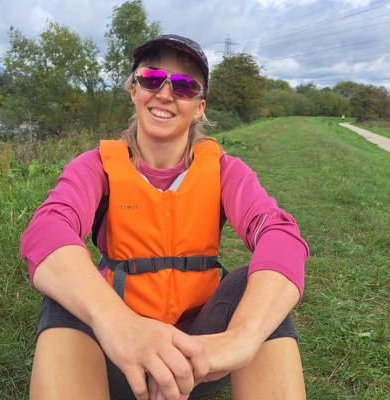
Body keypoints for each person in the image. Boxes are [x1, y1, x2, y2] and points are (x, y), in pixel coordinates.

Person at [21, 34, 309, 400]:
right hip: (116, 353)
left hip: (199, 358)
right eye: (152, 78)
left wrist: (242, 338)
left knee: (252, 290)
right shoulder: (95, 167)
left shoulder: (224, 171)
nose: (165, 93)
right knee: (66, 294)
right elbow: (47, 230)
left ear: (200, 106)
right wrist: (121, 326)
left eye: (185, 86)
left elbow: (281, 233)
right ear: (134, 90)